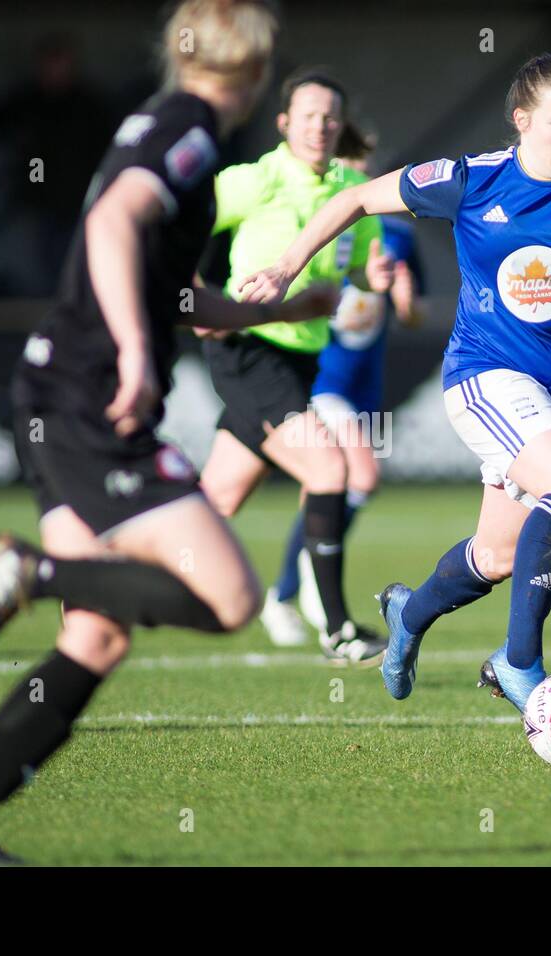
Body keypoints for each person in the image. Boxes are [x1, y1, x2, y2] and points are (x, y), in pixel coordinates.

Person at [0, 0, 333, 865]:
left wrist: (284, 306)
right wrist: (138, 355)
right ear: (254, 74)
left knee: (95, 633)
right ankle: (28, 570)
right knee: (230, 599)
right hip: (91, 398)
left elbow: (179, 296)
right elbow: (111, 223)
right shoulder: (191, 130)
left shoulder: (160, 120)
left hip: (53, 387)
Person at [238, 53, 551, 711]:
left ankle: (409, 616)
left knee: (497, 557)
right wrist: (283, 267)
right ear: (521, 119)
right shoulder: (471, 180)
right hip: (485, 377)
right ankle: (519, 662)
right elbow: (357, 198)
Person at [197, 68, 395, 663]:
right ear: (284, 123)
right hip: (248, 352)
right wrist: (198, 299)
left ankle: (93, 576)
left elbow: (357, 266)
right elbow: (172, 225)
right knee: (330, 470)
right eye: (308, 115)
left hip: (303, 360)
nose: (320, 126)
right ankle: (337, 628)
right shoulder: (253, 181)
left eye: (330, 117)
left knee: (214, 502)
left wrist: (372, 277)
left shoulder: (352, 191)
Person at [260, 152, 426, 645]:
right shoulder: (309, 226)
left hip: (364, 386)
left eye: (361, 168)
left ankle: (286, 591)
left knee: (326, 487)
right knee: (359, 475)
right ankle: (311, 584)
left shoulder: (397, 236)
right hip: (322, 378)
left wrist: (403, 297)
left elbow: (413, 316)